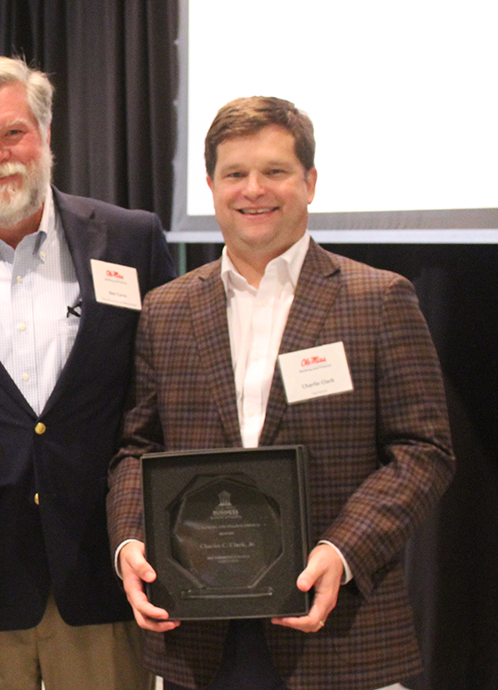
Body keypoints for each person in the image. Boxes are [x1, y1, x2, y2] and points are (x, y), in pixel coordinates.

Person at [106, 96, 455, 690]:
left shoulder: (379, 299)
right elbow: (137, 449)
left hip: (340, 632)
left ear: (310, 182)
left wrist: (341, 552)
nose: (254, 190)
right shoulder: (166, 309)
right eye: (235, 174)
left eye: (275, 171)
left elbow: (423, 451)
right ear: (211, 185)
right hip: (196, 638)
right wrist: (131, 542)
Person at [0, 56, 175, 690]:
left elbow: (163, 395)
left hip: (105, 567)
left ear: (45, 135)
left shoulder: (130, 241)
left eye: (14, 132)